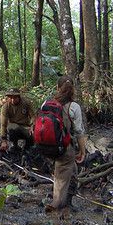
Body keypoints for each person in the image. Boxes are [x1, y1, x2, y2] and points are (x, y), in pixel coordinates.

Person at [42, 76, 87, 212]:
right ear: (73, 90)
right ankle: (57, 204)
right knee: (65, 172)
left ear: (57, 88)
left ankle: (63, 202)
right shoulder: (74, 107)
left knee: (62, 173)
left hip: (46, 146)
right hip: (63, 148)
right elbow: (79, 131)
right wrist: (82, 151)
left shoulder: (46, 103)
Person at [0, 88, 37, 153]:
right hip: (14, 127)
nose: (12, 100)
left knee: (33, 133)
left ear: (19, 97)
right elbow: (3, 124)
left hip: (25, 127)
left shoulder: (26, 103)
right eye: (10, 98)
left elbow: (33, 116)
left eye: (15, 97)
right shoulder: (6, 107)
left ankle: (27, 147)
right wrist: (3, 140)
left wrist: (32, 126)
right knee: (12, 127)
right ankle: (15, 145)